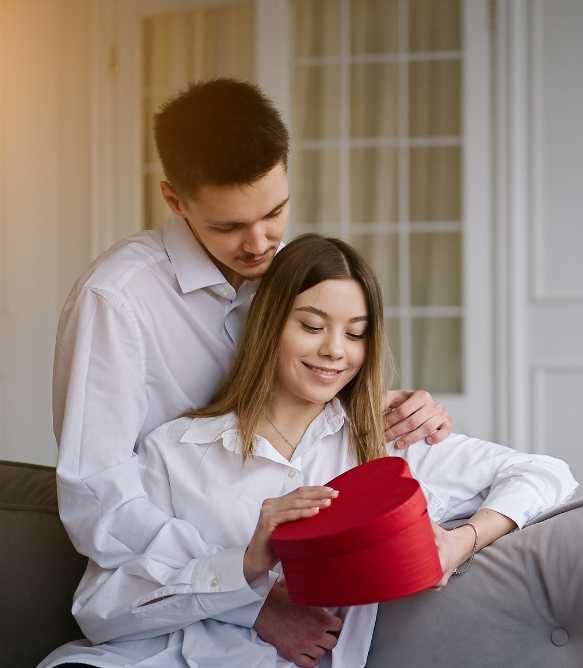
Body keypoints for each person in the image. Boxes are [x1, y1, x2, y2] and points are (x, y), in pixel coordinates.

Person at [52, 79, 452, 664]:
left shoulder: (284, 274)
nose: (258, 243)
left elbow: (299, 382)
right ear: (175, 200)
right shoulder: (116, 299)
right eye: (227, 227)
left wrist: (384, 403)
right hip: (163, 599)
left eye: (275, 213)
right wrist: (249, 594)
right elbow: (100, 502)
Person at [40, 234, 578, 668]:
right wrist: (247, 572)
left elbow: (546, 474)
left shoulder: (387, 447)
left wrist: (460, 542)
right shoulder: (176, 450)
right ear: (270, 325)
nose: (334, 351)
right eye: (313, 326)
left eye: (355, 333)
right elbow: (102, 611)